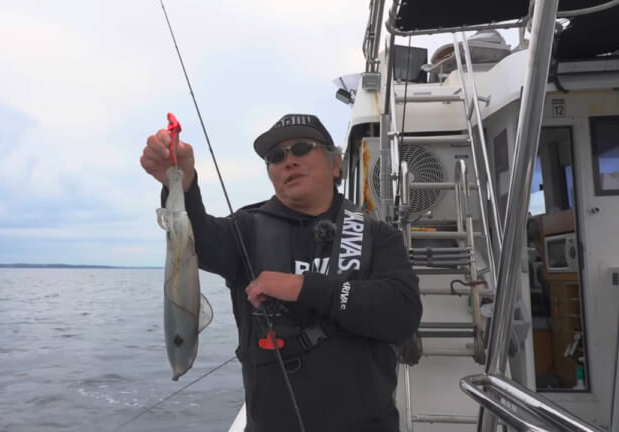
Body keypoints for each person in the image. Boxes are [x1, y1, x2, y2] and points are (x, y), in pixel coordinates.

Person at [141, 113, 422, 431]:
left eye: (302, 148)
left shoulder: (377, 236)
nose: (289, 160)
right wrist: (180, 181)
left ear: (336, 164)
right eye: (276, 156)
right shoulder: (246, 231)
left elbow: (403, 312)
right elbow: (196, 241)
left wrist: (306, 287)